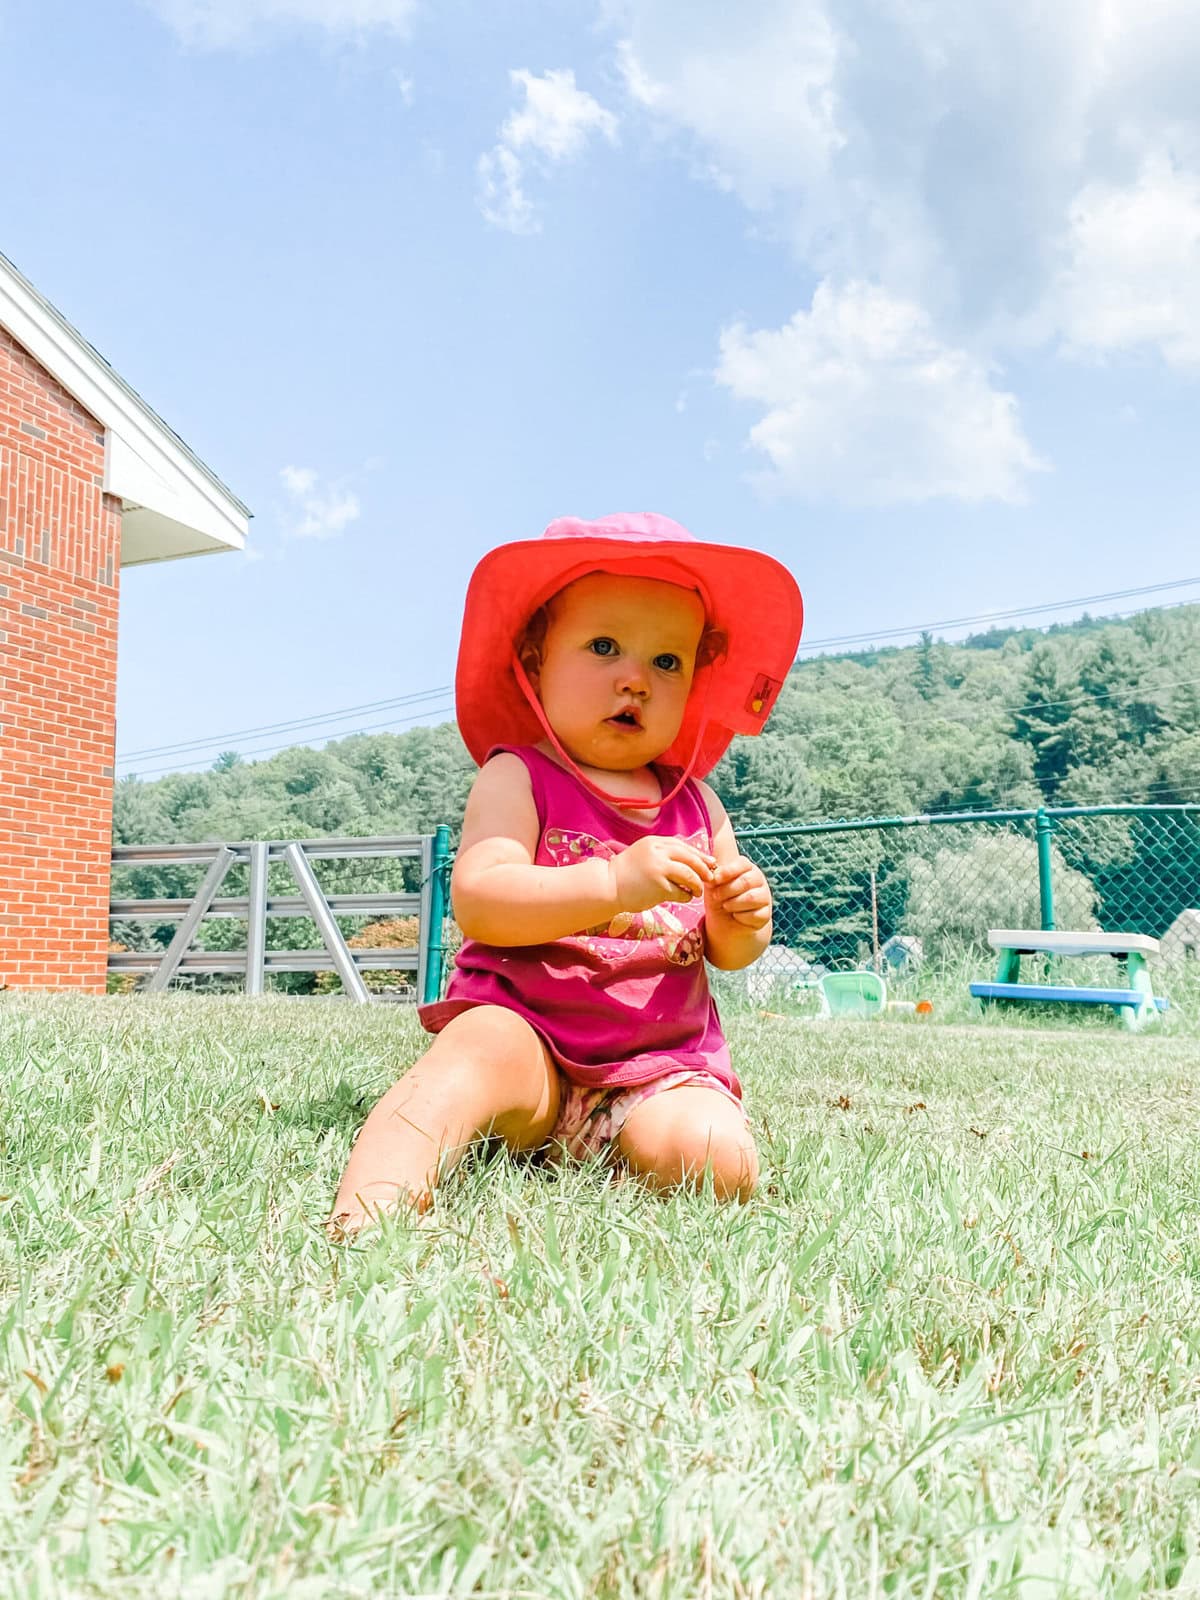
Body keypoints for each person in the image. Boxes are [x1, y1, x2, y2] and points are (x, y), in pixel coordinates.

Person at [330, 512, 803, 1232]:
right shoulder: (518, 777)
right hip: (530, 1048)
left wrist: (742, 920)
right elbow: (483, 902)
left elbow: (727, 953)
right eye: (604, 646)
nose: (635, 680)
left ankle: (615, 1149)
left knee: (716, 1157)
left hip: (657, 1068)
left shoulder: (699, 805)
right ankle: (368, 1215)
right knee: (471, 1058)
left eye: (667, 662)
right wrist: (614, 884)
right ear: (535, 660)